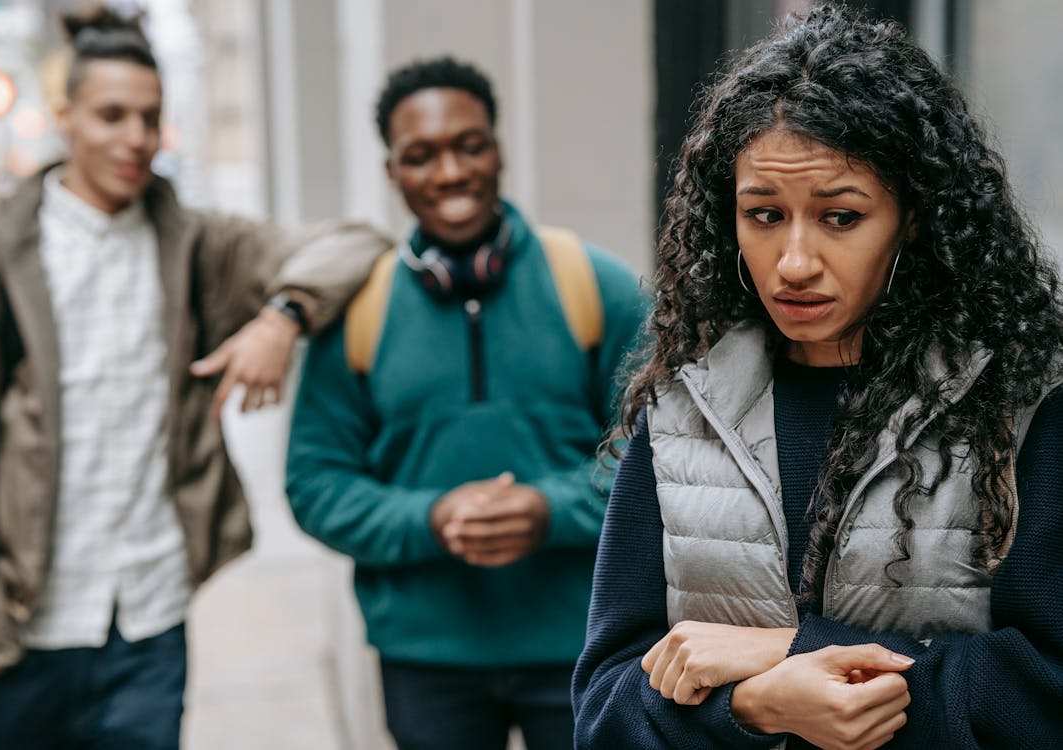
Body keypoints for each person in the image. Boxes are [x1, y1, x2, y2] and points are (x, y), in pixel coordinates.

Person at [573, 5, 1063, 749]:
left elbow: (1044, 690)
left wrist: (791, 648)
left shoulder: (1018, 404)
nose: (794, 262)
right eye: (764, 215)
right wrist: (752, 708)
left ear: (913, 218)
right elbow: (602, 710)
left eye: (839, 217)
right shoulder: (684, 409)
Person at [0, 8, 388, 750]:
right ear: (65, 120)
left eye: (150, 118)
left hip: (149, 622)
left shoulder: (196, 243)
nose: (135, 138)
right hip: (28, 631)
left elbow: (356, 243)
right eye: (111, 116)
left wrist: (281, 319)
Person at [285, 56, 647, 750]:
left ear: (499, 148)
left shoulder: (595, 286)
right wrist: (430, 518)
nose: (449, 173)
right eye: (420, 156)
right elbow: (313, 482)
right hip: (426, 661)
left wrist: (550, 510)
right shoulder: (357, 312)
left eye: (468, 145)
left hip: (581, 643)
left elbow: (660, 456)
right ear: (392, 172)